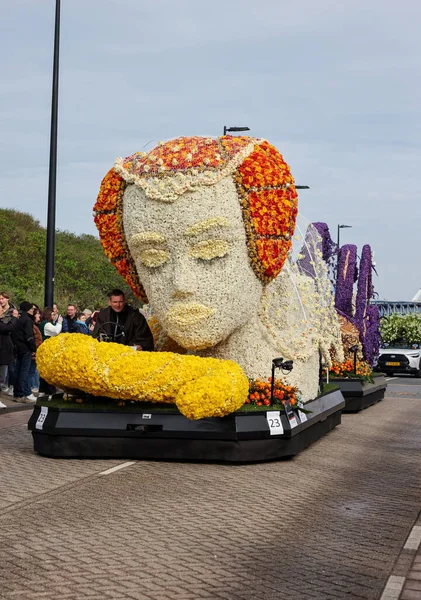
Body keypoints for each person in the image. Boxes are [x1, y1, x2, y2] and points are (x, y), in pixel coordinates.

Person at [94, 136, 342, 400]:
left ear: (263, 252)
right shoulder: (157, 349)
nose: (181, 284)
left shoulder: (292, 344)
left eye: (210, 253)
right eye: (152, 259)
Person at [11, 301, 37, 403]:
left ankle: (17, 393)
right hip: (26, 349)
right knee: (24, 372)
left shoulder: (19, 320)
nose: (33, 310)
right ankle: (21, 394)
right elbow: (29, 336)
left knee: (18, 371)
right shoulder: (28, 320)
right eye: (31, 309)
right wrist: (33, 349)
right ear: (28, 309)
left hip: (19, 348)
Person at [38, 307, 63, 398]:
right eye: (52, 315)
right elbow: (56, 331)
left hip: (46, 349)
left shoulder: (46, 323)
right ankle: (49, 391)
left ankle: (43, 390)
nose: (53, 316)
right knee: (48, 371)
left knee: (45, 371)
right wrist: (59, 322)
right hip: (46, 349)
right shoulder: (46, 324)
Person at [0, 303, 17, 407]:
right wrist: (14, 318)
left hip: (4, 354)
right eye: (1, 310)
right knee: (1, 378)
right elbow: (8, 328)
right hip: (2, 354)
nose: (2, 311)